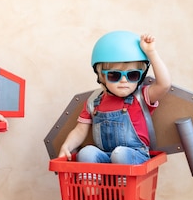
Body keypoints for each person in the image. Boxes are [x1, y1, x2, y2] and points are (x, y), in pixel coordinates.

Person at [58, 30, 171, 164]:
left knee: (120, 153)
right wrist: (67, 146)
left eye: (132, 75)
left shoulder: (141, 97)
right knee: (86, 152)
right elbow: (80, 130)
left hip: (135, 156)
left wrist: (151, 52)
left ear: (140, 77)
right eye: (114, 75)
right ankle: (94, 184)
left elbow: (164, 84)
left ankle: (123, 183)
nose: (124, 80)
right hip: (107, 158)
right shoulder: (93, 102)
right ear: (102, 77)